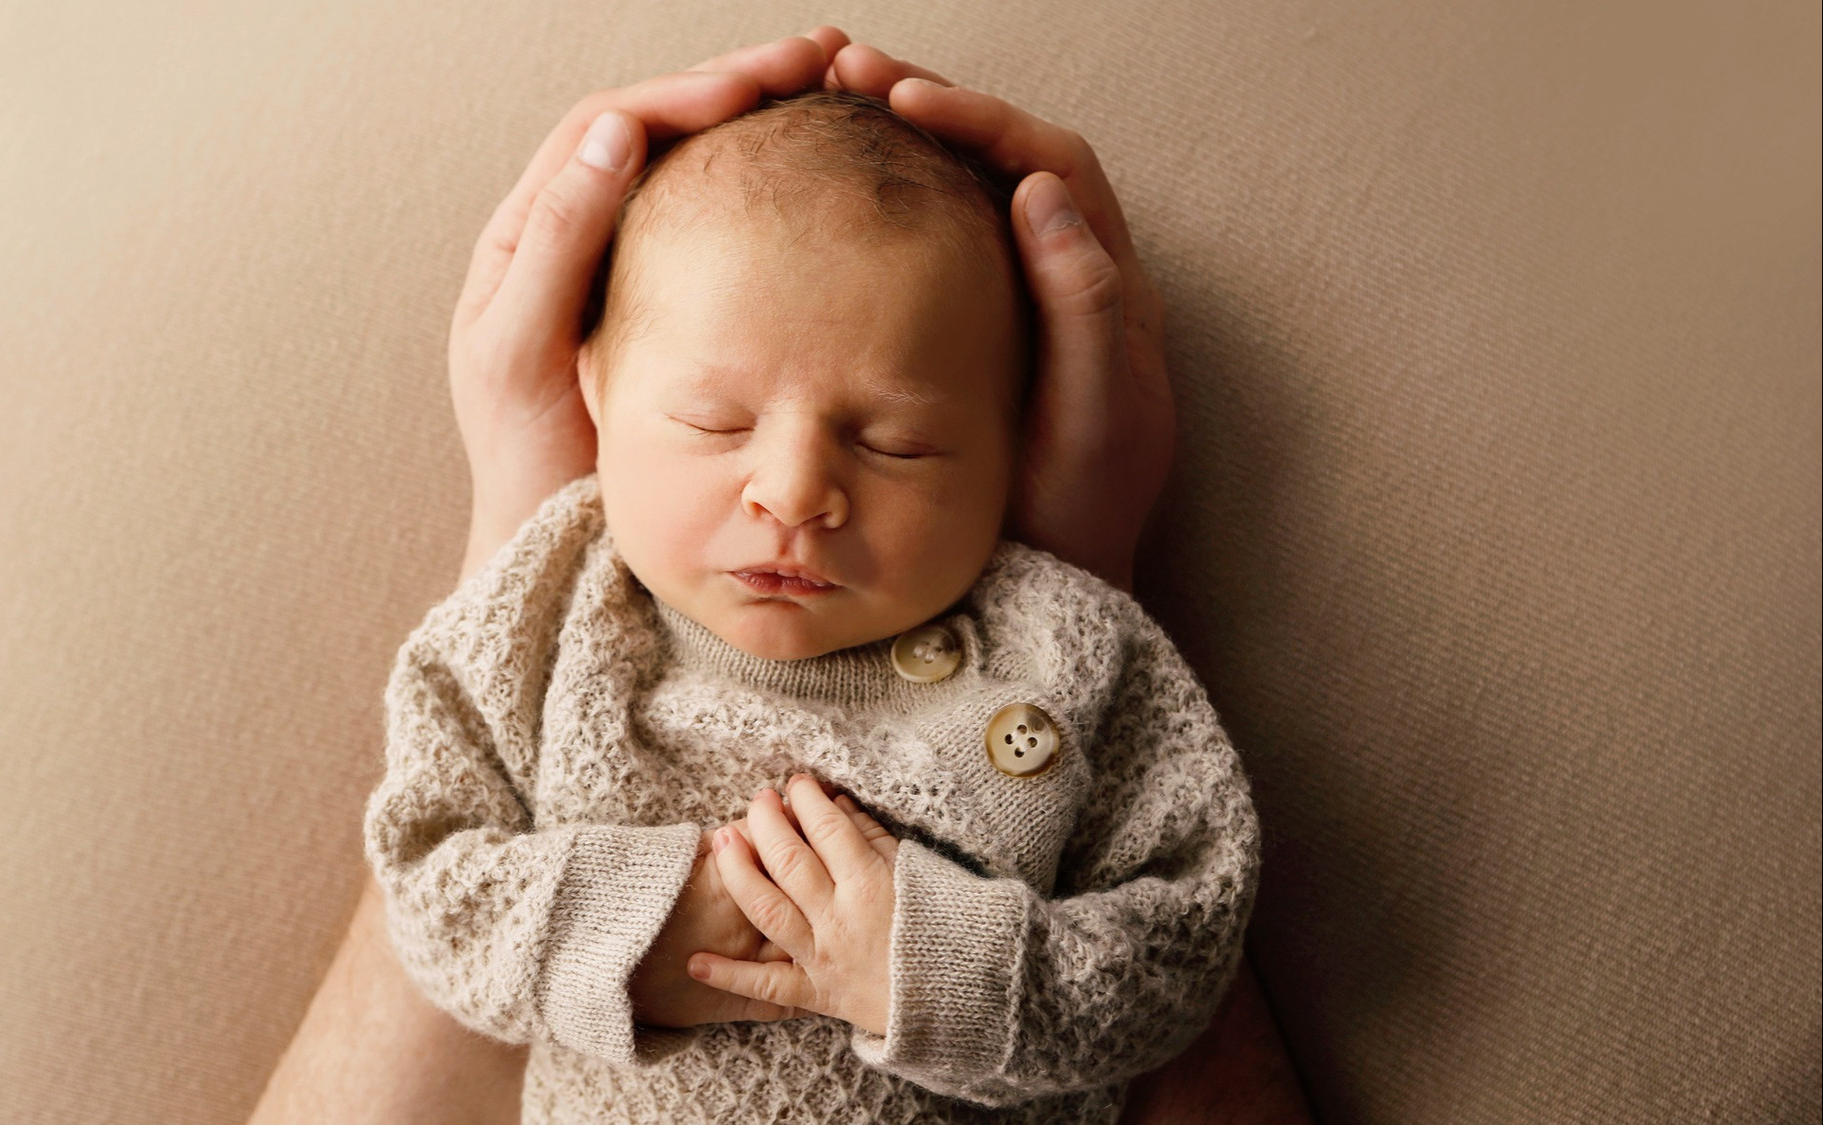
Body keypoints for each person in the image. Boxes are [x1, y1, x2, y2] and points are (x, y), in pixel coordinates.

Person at [249, 29, 1314, 1125]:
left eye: (898, 442)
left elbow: (1185, 928)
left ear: (1012, 442)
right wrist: (624, 931)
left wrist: (946, 975)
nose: (795, 492)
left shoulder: (1069, 641)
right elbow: (426, 870)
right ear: (596, 395)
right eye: (712, 422)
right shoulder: (547, 605)